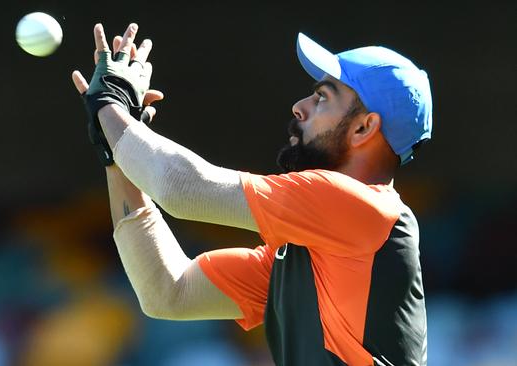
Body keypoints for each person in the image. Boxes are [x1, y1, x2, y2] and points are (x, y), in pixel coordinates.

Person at [72, 23, 432, 366]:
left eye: (322, 98)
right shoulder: (309, 253)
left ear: (364, 127)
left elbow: (180, 188)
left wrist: (110, 107)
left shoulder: (359, 206)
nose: (300, 106)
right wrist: (115, 154)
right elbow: (168, 291)